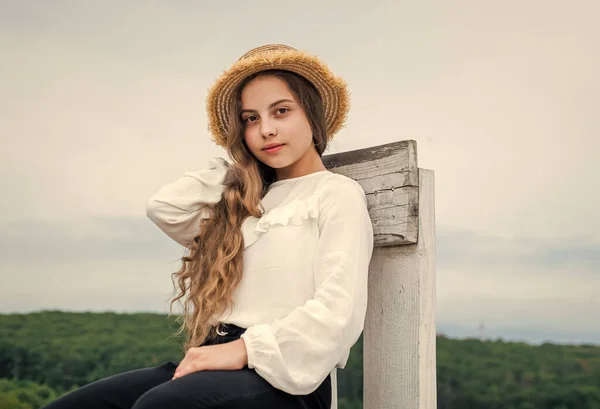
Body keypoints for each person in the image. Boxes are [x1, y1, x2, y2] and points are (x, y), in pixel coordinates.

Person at [42, 44, 374, 409]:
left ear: (312, 115)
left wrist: (244, 350)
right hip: (211, 360)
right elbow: (165, 207)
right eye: (250, 119)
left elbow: (337, 312)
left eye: (281, 111)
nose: (266, 130)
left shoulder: (336, 194)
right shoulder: (244, 201)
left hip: (284, 378)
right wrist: (242, 167)